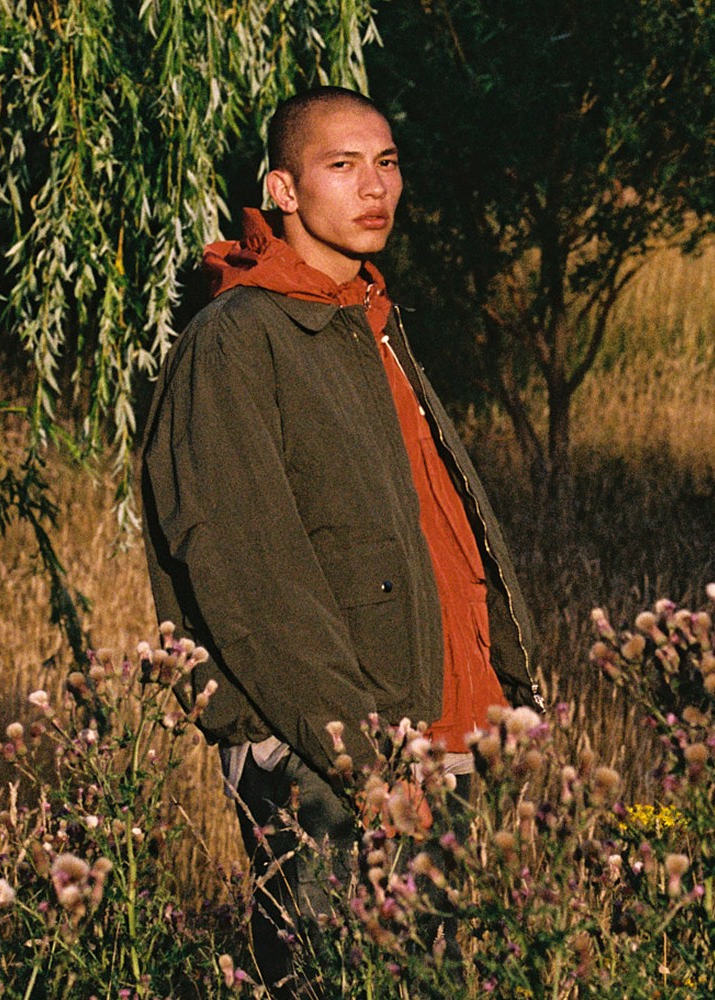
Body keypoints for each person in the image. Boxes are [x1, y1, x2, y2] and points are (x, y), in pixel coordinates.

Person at [141, 86, 543, 994]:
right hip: (332, 749)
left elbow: (441, 528)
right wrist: (359, 758)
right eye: (342, 165)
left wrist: (512, 693)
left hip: (450, 724)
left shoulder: (369, 321)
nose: (375, 187)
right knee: (331, 978)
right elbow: (249, 577)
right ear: (282, 190)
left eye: (387, 163)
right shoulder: (238, 339)